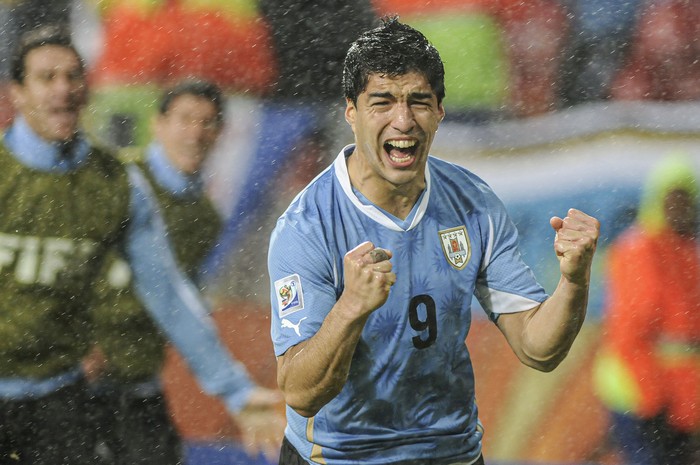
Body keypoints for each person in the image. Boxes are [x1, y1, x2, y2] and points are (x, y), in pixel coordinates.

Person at [267, 17, 600, 464]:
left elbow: (538, 349)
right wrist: (350, 308)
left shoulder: (473, 203)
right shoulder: (307, 226)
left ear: (440, 111)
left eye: (419, 102)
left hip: (452, 455)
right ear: (352, 112)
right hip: (341, 458)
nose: (403, 120)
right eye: (382, 102)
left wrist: (574, 281)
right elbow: (299, 391)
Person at [0, 26, 280, 465]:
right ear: (16, 92)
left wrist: (237, 389)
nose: (62, 89)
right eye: (46, 77)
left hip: (60, 396)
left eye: (73, 76)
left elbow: (168, 293)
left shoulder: (115, 184)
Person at [83, 79, 282, 464]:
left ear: (221, 133)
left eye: (207, 123)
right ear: (158, 124)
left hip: (138, 377)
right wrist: (78, 338)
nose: (196, 133)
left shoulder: (204, 217)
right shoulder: (115, 182)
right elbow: (72, 267)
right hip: (78, 373)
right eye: (186, 120)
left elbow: (177, 299)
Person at [593, 154, 699, 465]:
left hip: (677, 401)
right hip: (638, 394)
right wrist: (654, 399)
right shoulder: (637, 251)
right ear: (657, 201)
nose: (680, 208)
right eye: (673, 199)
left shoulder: (688, 251)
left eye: (686, 199)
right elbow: (629, 332)